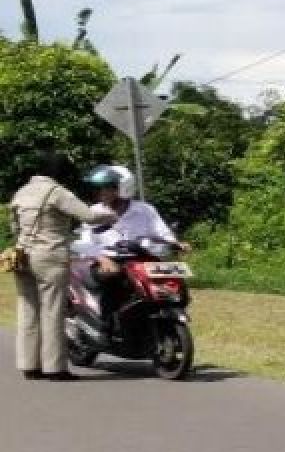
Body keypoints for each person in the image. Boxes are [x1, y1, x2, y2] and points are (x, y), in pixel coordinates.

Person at [8, 150, 116, 380]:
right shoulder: (57, 193)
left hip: (22, 255)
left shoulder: (22, 192)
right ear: (58, 172)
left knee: (28, 310)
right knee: (52, 311)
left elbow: (14, 226)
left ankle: (30, 365)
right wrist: (110, 216)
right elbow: (88, 216)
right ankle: (55, 368)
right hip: (50, 256)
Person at [74, 164, 186, 332]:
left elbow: (162, 232)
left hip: (140, 258)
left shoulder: (145, 210)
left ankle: (162, 313)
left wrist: (175, 243)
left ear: (121, 188)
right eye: (100, 189)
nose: (100, 193)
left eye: (106, 189)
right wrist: (101, 257)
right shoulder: (93, 212)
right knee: (114, 275)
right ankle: (107, 322)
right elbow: (84, 243)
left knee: (174, 275)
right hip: (105, 261)